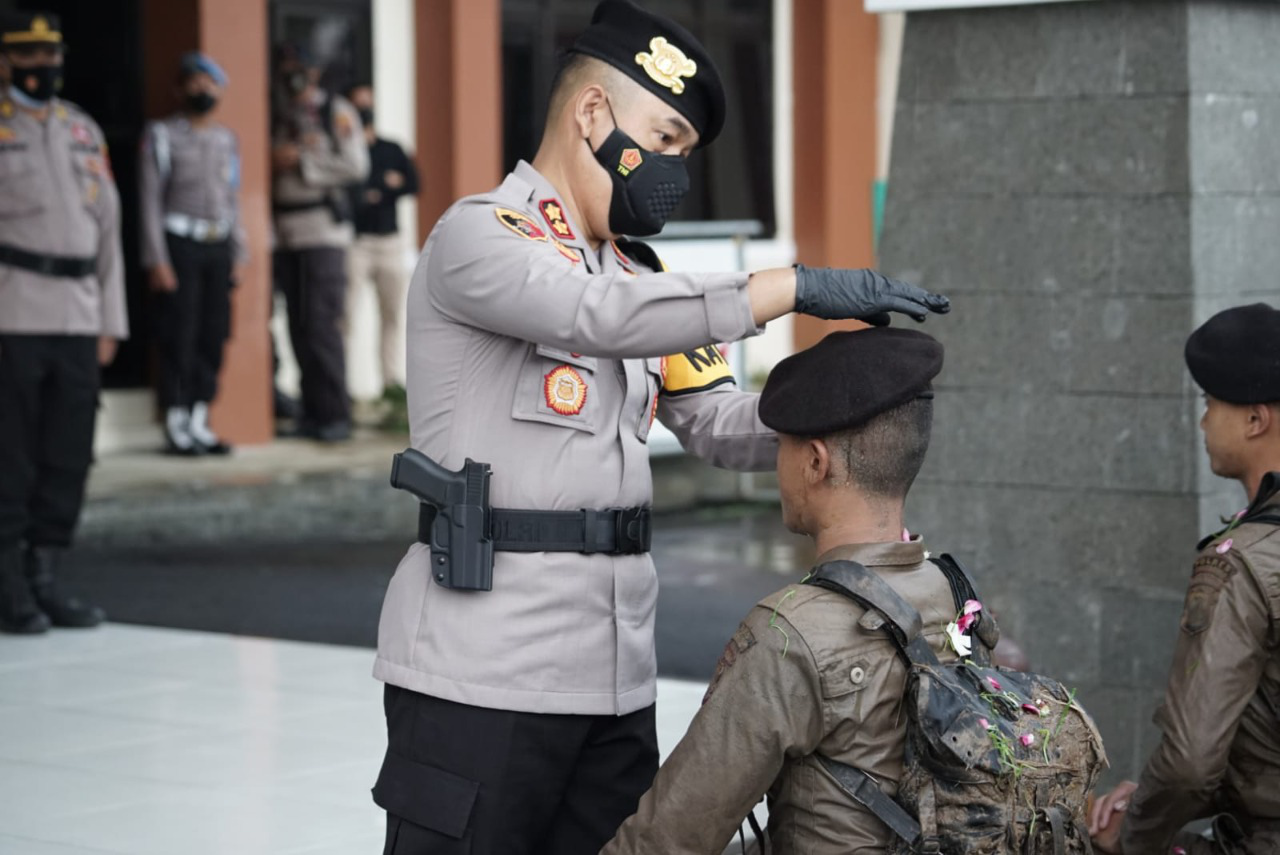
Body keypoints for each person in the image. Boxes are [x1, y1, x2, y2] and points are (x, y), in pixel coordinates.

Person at [369, 2, 950, 852]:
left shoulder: (643, 278)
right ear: (593, 115)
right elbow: (592, 313)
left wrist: (860, 400)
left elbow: (721, 423)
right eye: (667, 137)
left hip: (612, 680)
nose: (675, 168)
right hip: (480, 674)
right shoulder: (480, 238)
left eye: (687, 151)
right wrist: (791, 286)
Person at [601, 328, 959, 854]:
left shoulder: (789, 633)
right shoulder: (951, 592)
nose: (777, 465)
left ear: (816, 462)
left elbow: (668, 838)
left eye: (784, 445)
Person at [1089, 304, 1280, 854]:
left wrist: (1136, 832)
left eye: (1209, 403)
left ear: (1254, 420)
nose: (1202, 422)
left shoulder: (1241, 562)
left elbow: (1192, 761)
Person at [0, 11, 125, 634]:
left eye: (49, 56)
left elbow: (109, 232)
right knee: (12, 453)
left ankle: (46, 575)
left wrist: (111, 321)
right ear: (6, 62)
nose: (42, 67)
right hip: (14, 310)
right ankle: (10, 583)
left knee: (68, 454)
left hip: (78, 313)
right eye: (27, 57)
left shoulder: (82, 130)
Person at [138, 51, 244, 456]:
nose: (202, 89)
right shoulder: (162, 136)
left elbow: (232, 199)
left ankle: (201, 417)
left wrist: (239, 252)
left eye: (210, 82)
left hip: (217, 244)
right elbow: (150, 200)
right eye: (194, 81)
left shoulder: (226, 139)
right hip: (179, 241)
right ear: (180, 89)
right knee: (178, 333)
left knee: (213, 334)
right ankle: (177, 421)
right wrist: (157, 259)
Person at [270, 44, 368, 442]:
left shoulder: (335, 111)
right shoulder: (280, 114)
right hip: (286, 232)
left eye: (300, 68)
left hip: (323, 231)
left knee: (321, 325)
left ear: (313, 72)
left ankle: (334, 414)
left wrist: (303, 163)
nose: (293, 75)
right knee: (297, 325)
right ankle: (311, 413)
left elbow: (356, 165)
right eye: (287, 69)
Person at [344, 83, 418, 405]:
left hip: (389, 243)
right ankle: (341, 389)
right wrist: (382, 187)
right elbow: (351, 192)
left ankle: (390, 386)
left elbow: (413, 183)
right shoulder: (346, 150)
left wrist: (381, 192)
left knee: (391, 316)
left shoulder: (392, 148)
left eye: (367, 102)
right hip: (356, 243)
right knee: (345, 316)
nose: (364, 108)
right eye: (357, 103)